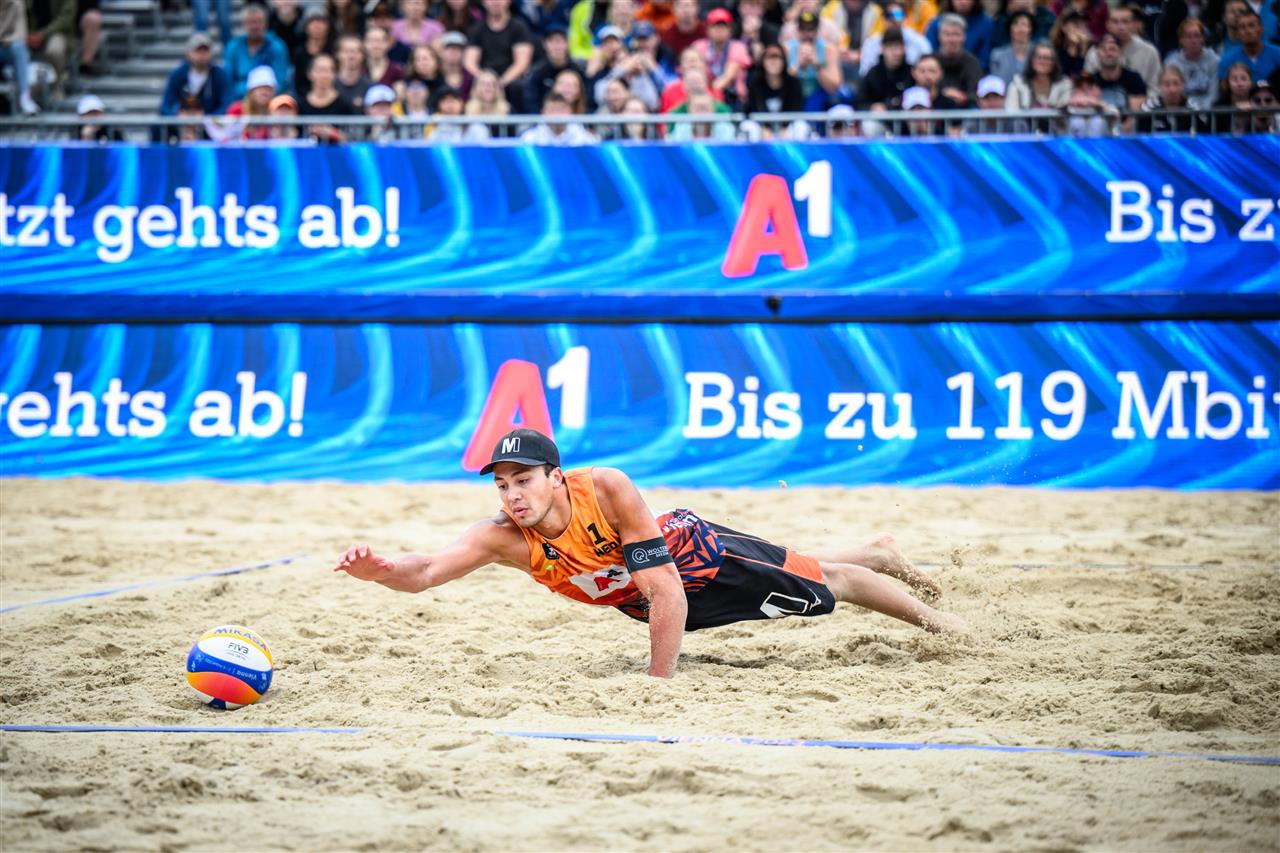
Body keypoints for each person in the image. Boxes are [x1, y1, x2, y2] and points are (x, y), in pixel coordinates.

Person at [334, 429, 967, 679]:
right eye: (502, 485)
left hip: (696, 559)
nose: (512, 495)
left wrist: (658, 682)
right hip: (645, 601)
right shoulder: (501, 536)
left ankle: (946, 625)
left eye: (522, 480)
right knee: (804, 566)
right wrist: (380, 571)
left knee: (832, 586)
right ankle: (880, 551)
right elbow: (424, 572)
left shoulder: (605, 487)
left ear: (555, 476)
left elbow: (666, 588)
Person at [466, 0, 534, 109]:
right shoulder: (477, 29)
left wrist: (500, 82)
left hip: (510, 81)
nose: (495, 2)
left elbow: (522, 63)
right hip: (484, 77)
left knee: (518, 87)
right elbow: (470, 62)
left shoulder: (519, 28)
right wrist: (485, 80)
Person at [160, 33, 232, 133]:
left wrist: (206, 119)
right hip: (181, 126)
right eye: (198, 50)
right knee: (158, 127)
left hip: (210, 129)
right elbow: (165, 106)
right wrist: (177, 116)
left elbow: (227, 104)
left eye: (205, 50)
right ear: (188, 53)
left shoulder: (220, 75)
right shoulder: (177, 74)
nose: (202, 55)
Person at [1083, 4, 1160, 95]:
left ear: (1134, 24)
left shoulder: (1149, 52)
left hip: (1141, 101)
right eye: (1115, 22)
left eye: (1125, 21)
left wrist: (1143, 103)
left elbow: (1155, 88)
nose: (1120, 27)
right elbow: (1086, 86)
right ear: (1107, 24)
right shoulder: (1095, 52)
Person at [226, 3, 291, 99]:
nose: (254, 26)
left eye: (258, 22)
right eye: (250, 22)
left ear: (266, 24)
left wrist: (260, 96)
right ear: (243, 24)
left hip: (269, 100)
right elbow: (228, 81)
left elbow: (281, 82)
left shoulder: (277, 47)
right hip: (239, 100)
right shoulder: (234, 47)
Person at [693, 8, 751, 108]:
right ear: (707, 29)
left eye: (723, 26)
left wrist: (708, 94)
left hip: (732, 98)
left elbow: (727, 78)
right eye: (714, 26)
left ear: (730, 30)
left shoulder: (738, 47)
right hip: (702, 97)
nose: (719, 30)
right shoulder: (698, 46)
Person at [859, 1, 932, 76]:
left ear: (905, 18)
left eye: (898, 15)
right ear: (883, 19)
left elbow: (927, 68)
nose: (893, 19)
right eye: (888, 15)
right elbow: (865, 71)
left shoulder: (919, 42)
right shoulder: (872, 42)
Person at [787, 10, 842, 108]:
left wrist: (817, 66)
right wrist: (799, 65)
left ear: (817, 31)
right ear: (797, 30)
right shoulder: (787, 49)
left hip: (819, 96)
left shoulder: (828, 50)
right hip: (793, 96)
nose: (807, 33)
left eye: (811, 29)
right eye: (803, 28)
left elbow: (834, 87)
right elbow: (781, 84)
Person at [526, 23, 586, 110]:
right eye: (552, 41)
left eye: (561, 41)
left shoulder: (579, 70)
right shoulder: (537, 73)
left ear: (568, 43)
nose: (557, 46)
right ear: (545, 44)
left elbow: (586, 99)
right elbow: (531, 102)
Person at [299, 52, 356, 142]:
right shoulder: (301, 104)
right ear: (310, 74)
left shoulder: (344, 104)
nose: (324, 75)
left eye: (329, 71)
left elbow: (352, 138)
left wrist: (333, 134)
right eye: (320, 70)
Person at [1165, 18, 1220, 110]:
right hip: (1182, 111)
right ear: (1181, 40)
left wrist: (1202, 111)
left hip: (1209, 111)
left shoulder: (1214, 60)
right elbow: (1174, 93)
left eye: (1197, 36)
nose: (1193, 40)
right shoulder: (1172, 63)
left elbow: (1214, 93)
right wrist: (1190, 110)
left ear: (1203, 39)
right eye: (1188, 36)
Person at [1138, 63, 1210, 132]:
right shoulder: (1149, 107)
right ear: (1159, 86)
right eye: (1167, 84)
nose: (1172, 89)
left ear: (1183, 85)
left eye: (1176, 83)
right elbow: (1140, 135)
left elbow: (1204, 135)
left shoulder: (1193, 108)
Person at [1090, 32, 1146, 115]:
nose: (1108, 53)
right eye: (1104, 50)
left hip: (1126, 123)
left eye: (1112, 49)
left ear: (1120, 52)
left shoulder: (1134, 78)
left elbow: (1134, 115)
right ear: (1098, 54)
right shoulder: (1090, 81)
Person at [858, 25, 913, 110]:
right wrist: (872, 107)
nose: (896, 53)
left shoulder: (911, 72)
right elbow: (859, 102)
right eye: (891, 48)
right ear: (882, 49)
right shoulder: (873, 74)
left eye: (899, 48)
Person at [1219, 9, 1280, 84]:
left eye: (1251, 26)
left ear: (1261, 28)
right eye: (1242, 27)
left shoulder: (1278, 54)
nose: (1247, 31)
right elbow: (1225, 88)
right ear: (1238, 33)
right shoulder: (1227, 60)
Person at [925, 0, 991, 70]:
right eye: (947, 34)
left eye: (956, 34)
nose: (963, 2)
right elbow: (929, 55)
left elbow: (985, 60)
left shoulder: (986, 25)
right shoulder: (936, 24)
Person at [1006, 38, 1071, 109]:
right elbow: (1011, 111)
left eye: (1047, 58)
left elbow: (1066, 112)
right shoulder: (1017, 84)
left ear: (1054, 63)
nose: (1042, 61)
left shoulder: (1064, 84)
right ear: (1031, 61)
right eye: (1038, 57)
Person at [932, 12, 980, 106]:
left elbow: (977, 92)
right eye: (947, 34)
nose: (951, 40)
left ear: (964, 37)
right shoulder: (930, 61)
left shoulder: (972, 62)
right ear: (939, 36)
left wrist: (963, 97)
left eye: (956, 34)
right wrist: (942, 95)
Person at [1, 0, 39, 113]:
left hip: (6, 47)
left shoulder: (16, 3)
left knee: (19, 48)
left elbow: (20, 35)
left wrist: (6, 40)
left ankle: (25, 98)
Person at [520, 90, 599, 141]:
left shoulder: (583, 138)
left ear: (570, 112)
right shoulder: (530, 138)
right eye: (552, 110)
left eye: (561, 110)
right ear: (543, 112)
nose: (557, 115)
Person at [293, 9, 334, 98]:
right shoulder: (299, 52)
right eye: (312, 22)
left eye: (321, 22)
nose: (317, 26)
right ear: (306, 27)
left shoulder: (334, 50)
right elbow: (299, 82)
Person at [427, 83, 492, 140]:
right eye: (445, 101)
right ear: (439, 105)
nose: (450, 106)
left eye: (453, 101)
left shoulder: (475, 127)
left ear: (462, 103)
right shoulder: (434, 126)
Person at [989, 9, 1032, 84]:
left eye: (1024, 25)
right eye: (1016, 24)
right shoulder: (997, 55)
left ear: (1031, 29)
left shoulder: (1037, 55)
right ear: (1010, 29)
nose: (1021, 29)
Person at [1050, 8, 1091, 79]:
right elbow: (1061, 76)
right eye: (1076, 24)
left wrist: (1083, 50)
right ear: (1064, 27)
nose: (1081, 28)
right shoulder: (1053, 48)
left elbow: (1081, 77)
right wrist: (1073, 48)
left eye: (1084, 25)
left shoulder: (1090, 48)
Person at [334, 33, 373, 109]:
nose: (351, 56)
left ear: (363, 55)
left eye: (355, 52)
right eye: (346, 51)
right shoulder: (329, 85)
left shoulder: (371, 87)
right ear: (338, 54)